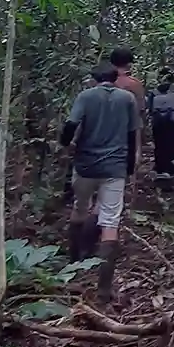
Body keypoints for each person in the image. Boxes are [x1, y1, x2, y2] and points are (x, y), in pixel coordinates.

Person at [62, 63, 139, 302]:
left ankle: (74, 261)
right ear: (115, 78)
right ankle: (104, 288)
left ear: (95, 78)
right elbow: (131, 133)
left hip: (86, 165)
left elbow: (71, 124)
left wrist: (64, 143)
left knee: (80, 207)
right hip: (115, 167)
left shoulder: (86, 96)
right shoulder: (127, 99)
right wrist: (128, 166)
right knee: (110, 222)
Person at [148, 68, 174, 191]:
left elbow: (150, 109)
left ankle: (160, 170)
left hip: (158, 123)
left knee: (159, 146)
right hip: (172, 122)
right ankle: (170, 173)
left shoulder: (154, 92)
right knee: (171, 147)